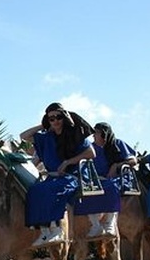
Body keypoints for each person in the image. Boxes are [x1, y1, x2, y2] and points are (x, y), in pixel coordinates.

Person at [19, 102, 95, 248]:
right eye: (51, 119)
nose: (55, 121)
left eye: (58, 117)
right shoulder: (46, 137)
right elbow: (23, 136)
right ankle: (45, 231)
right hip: (52, 177)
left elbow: (91, 153)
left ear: (64, 117)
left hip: (71, 176)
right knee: (35, 190)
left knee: (52, 189)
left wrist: (67, 162)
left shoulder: (75, 134)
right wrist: (43, 125)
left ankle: (57, 230)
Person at [72, 122, 137, 239]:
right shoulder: (91, 148)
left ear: (104, 134)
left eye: (96, 133)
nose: (93, 136)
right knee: (85, 191)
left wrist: (117, 165)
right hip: (96, 179)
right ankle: (95, 225)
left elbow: (133, 161)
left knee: (110, 187)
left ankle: (109, 224)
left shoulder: (117, 144)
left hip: (116, 178)